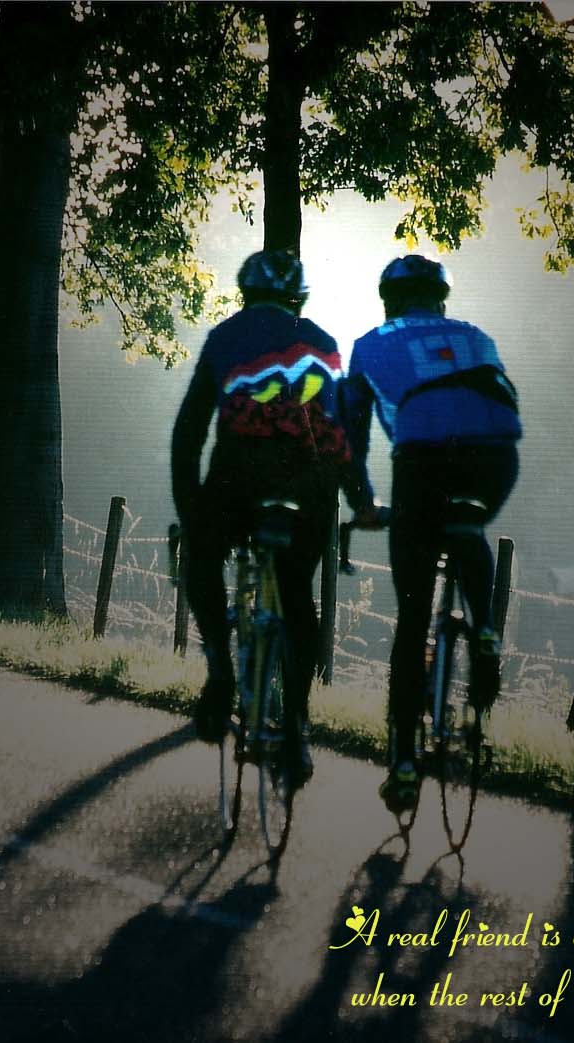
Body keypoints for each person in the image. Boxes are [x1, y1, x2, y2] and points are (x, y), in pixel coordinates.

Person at [340, 254, 521, 811]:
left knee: (414, 618)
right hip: (496, 458)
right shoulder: (476, 335)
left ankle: (402, 764)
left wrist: (363, 502)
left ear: (387, 302)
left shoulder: (370, 343)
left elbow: (352, 431)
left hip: (420, 461)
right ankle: (486, 627)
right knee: (467, 521)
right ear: (441, 301)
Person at [171, 249, 350, 787]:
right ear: (300, 298)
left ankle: (220, 673)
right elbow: (338, 437)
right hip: (307, 495)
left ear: (245, 293)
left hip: (235, 487)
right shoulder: (323, 341)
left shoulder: (225, 337)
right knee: (297, 595)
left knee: (201, 559)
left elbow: (189, 432)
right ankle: (297, 724)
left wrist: (192, 510)